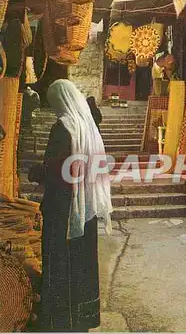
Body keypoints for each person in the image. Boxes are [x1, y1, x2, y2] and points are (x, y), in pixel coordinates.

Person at [38, 79, 113, 332]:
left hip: (63, 209)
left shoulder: (63, 129)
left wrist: (35, 172)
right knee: (83, 263)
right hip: (86, 209)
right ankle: (83, 318)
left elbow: (57, 172)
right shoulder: (87, 127)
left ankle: (60, 322)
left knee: (60, 262)